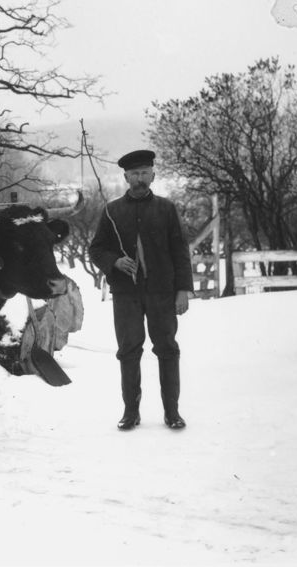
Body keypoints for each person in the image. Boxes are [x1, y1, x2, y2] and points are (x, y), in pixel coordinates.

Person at [88, 149, 194, 430]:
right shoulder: (111, 211)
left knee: (167, 349)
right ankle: (130, 412)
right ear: (125, 177)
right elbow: (96, 249)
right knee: (128, 350)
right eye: (134, 174)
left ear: (153, 175)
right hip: (126, 295)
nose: (140, 178)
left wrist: (183, 290)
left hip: (162, 292)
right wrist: (115, 261)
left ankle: (172, 413)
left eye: (145, 172)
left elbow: (180, 251)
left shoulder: (167, 208)